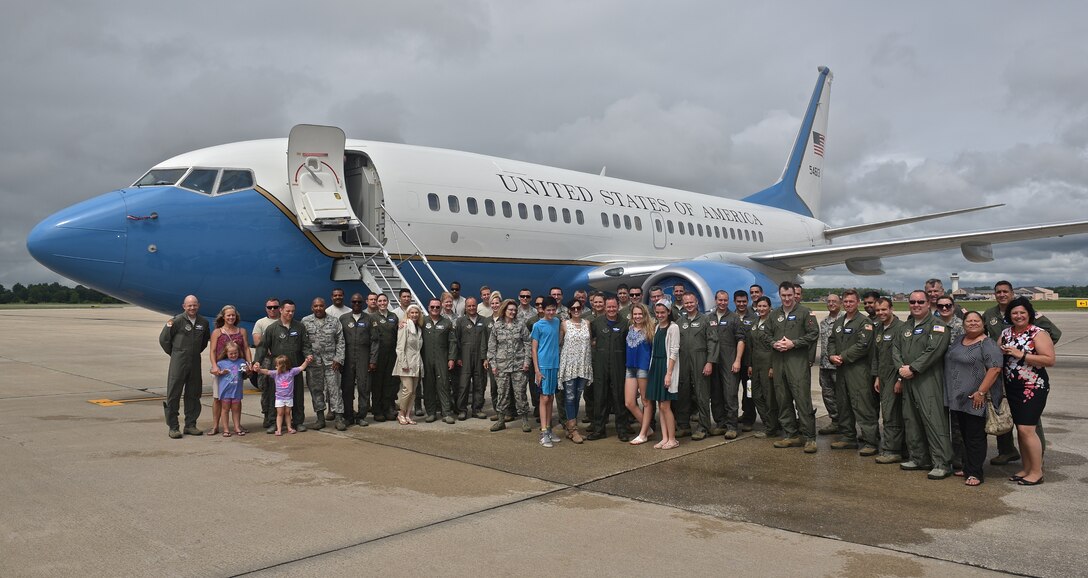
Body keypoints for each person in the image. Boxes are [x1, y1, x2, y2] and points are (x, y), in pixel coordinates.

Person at [983, 280, 1061, 465]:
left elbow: (1054, 334)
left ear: (1011, 293)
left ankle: (1037, 459)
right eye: (998, 292)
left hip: (1029, 379)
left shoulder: (1026, 311)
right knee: (1004, 411)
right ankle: (1007, 451)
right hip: (1003, 372)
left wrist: (1033, 352)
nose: (1001, 294)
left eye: (1005, 291)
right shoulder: (990, 314)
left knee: (1030, 423)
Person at [893, 290, 953, 479]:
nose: (916, 305)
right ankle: (919, 458)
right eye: (912, 302)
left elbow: (933, 351)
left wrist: (913, 368)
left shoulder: (937, 326)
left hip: (927, 379)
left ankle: (941, 463)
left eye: (920, 302)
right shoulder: (905, 327)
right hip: (908, 379)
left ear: (929, 304)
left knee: (933, 420)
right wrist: (901, 369)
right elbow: (895, 349)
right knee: (911, 419)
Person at [1000, 297, 1055, 486]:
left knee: (1027, 429)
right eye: (1014, 313)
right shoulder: (1006, 333)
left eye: (1022, 312)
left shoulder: (1038, 333)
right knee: (1020, 430)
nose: (1018, 316)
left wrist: (1021, 354)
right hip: (1012, 387)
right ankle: (1026, 468)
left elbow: (1049, 360)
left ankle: (1037, 472)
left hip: (1033, 387)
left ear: (1029, 314)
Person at [944, 311, 1003, 486]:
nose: (972, 323)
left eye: (976, 320)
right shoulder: (959, 340)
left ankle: (976, 472)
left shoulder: (987, 344)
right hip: (958, 397)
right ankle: (967, 466)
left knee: (975, 436)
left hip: (975, 397)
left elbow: (995, 369)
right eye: (969, 321)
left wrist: (981, 392)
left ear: (983, 323)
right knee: (963, 434)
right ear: (963, 324)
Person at [763, 282, 820, 453]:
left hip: (798, 363)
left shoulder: (805, 312)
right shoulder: (774, 315)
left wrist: (793, 344)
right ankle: (791, 434)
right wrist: (774, 343)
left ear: (795, 295)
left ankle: (809, 437)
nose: (787, 299)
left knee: (802, 400)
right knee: (783, 399)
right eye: (784, 296)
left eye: (790, 295)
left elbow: (813, 334)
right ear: (780, 295)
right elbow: (765, 334)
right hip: (779, 363)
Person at [827, 289, 879, 456]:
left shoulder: (864, 322)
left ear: (857, 303)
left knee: (862, 406)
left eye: (851, 301)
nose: (848, 304)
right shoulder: (839, 321)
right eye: (846, 301)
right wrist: (831, 355)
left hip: (858, 371)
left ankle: (870, 441)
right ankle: (848, 437)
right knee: (844, 405)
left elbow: (863, 346)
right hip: (841, 370)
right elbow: (832, 340)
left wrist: (842, 356)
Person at [159, 295, 211, 439]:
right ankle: (174, 427)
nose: (192, 308)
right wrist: (176, 353)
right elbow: (164, 339)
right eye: (189, 305)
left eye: (194, 305)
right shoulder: (176, 321)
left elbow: (204, 342)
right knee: (174, 393)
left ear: (198, 305)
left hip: (195, 361)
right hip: (178, 361)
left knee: (194, 393)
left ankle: (190, 425)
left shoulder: (204, 322)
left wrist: (192, 353)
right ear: (184, 306)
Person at [254, 300, 310, 433]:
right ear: (281, 310)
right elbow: (262, 346)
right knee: (275, 395)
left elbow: (305, 344)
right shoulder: (272, 328)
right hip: (278, 369)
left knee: (297, 394)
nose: (290, 313)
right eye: (287, 311)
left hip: (294, 367)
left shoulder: (299, 327)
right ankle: (273, 422)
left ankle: (298, 422)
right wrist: (257, 361)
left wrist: (308, 355)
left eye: (292, 311)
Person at [587, 296, 631, 441]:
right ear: (605, 307)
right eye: (609, 307)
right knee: (600, 397)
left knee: (619, 398)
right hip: (600, 365)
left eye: (614, 307)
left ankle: (622, 430)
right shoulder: (596, 323)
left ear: (618, 307)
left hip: (619, 365)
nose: (611, 309)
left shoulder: (625, 323)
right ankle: (599, 429)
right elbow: (589, 341)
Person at [676, 293, 718, 440]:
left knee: (702, 394)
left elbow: (713, 342)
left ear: (696, 302)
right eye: (686, 303)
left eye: (691, 302)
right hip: (683, 360)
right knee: (683, 393)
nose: (689, 305)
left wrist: (709, 362)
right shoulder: (679, 322)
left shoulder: (706, 320)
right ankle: (683, 425)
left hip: (700, 359)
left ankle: (704, 427)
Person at [871, 297, 906, 463]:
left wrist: (900, 379)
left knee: (892, 413)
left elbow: (904, 356)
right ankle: (892, 447)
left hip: (895, 376)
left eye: (884, 309)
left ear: (891, 309)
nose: (881, 313)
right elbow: (877, 356)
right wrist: (877, 376)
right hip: (883, 376)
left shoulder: (900, 328)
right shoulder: (878, 328)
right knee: (887, 411)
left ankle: (893, 450)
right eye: (878, 310)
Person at [302, 297, 346, 431]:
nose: (318, 308)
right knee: (316, 391)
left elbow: (341, 341)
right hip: (313, 364)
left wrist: (338, 359)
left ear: (324, 307)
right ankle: (320, 418)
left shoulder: (334, 321)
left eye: (321, 306)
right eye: (316, 306)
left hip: (331, 363)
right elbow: (303, 343)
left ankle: (339, 418)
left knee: (335, 390)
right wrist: (306, 357)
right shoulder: (305, 321)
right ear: (312, 308)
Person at [488, 299, 532, 432]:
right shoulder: (497, 326)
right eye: (510, 310)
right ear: (504, 311)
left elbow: (528, 343)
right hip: (501, 367)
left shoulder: (520, 325)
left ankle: (524, 420)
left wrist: (526, 361)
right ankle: (501, 421)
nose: (512, 312)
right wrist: (493, 365)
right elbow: (491, 347)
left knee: (520, 394)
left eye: (514, 310)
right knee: (502, 394)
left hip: (519, 366)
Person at [207, 305, 251, 435]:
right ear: (223, 317)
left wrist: (249, 364)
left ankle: (237, 425)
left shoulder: (241, 331)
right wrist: (214, 366)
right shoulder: (217, 332)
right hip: (221, 370)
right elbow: (212, 351)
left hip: (237, 369)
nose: (231, 317)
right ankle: (215, 426)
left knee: (236, 399)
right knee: (217, 398)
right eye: (228, 315)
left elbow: (246, 348)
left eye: (233, 315)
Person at [709, 290, 746, 439]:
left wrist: (737, 360)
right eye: (720, 300)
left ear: (728, 301)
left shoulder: (734, 318)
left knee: (730, 393)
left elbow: (741, 340)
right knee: (716, 394)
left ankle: (732, 426)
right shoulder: (709, 318)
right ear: (715, 300)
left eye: (725, 300)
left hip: (729, 360)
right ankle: (720, 423)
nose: (722, 303)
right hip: (713, 361)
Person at [645, 302, 680, 449]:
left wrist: (669, 374)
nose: (660, 315)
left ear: (668, 312)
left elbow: (674, 351)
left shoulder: (674, 327)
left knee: (666, 405)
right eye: (657, 313)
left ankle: (673, 439)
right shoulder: (657, 327)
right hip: (656, 366)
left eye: (662, 313)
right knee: (660, 405)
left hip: (666, 367)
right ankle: (665, 437)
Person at [340, 293, 378, 426]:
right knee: (347, 388)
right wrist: (339, 360)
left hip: (364, 357)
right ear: (351, 303)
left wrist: (373, 360)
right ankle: (348, 416)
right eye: (354, 302)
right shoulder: (343, 319)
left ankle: (361, 416)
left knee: (364, 387)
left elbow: (375, 341)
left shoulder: (369, 319)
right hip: (348, 358)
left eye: (359, 302)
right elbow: (339, 341)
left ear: (363, 303)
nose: (356, 304)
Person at [558, 299, 592, 443]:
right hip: (570, 365)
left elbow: (590, 342)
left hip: (583, 365)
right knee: (570, 397)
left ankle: (571, 428)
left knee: (577, 397)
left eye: (579, 307)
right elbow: (560, 343)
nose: (576, 310)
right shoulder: (565, 324)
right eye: (573, 308)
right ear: (569, 310)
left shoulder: (587, 324)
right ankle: (573, 430)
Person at [254, 354, 313, 435]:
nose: (275, 367)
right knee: (280, 413)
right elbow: (267, 371)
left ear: (282, 366)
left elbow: (301, 368)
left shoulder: (291, 372)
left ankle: (289, 427)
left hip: (289, 397)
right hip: (279, 398)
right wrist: (259, 370)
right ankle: (279, 429)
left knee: (288, 413)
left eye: (277, 365)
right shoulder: (276, 373)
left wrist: (306, 361)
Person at [531, 297, 562, 447]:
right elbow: (534, 349)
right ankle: (543, 433)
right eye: (548, 309)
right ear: (542, 309)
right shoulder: (537, 325)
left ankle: (549, 429)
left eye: (553, 309)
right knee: (543, 398)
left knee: (550, 398)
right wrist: (537, 370)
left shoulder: (557, 322)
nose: (551, 312)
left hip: (554, 365)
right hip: (543, 366)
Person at [421, 298, 458, 423]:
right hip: (426, 358)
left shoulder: (447, 323)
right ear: (428, 307)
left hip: (442, 358)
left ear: (441, 308)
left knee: (444, 385)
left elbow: (452, 342)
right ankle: (431, 413)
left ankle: (446, 413)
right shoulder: (422, 321)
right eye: (432, 307)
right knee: (428, 386)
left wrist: (451, 358)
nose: (435, 309)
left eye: (437, 307)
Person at [748, 296, 779, 439]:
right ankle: (768, 422)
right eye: (759, 306)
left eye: (764, 306)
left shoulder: (772, 323)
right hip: (756, 362)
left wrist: (773, 367)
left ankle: (771, 427)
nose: (761, 309)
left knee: (769, 396)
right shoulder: (755, 322)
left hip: (768, 361)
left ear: (769, 307)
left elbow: (775, 346)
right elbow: (751, 345)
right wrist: (750, 364)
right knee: (756, 395)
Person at [455, 297, 491, 420]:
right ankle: (462, 410)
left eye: (473, 305)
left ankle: (477, 409)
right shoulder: (460, 322)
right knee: (463, 385)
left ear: (477, 306)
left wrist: (486, 357)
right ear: (465, 307)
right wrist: (458, 357)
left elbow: (488, 341)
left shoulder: (484, 321)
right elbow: (456, 340)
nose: (471, 308)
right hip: (465, 358)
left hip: (480, 358)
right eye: (469, 306)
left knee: (479, 384)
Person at [626, 303, 655, 445]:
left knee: (645, 401)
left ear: (645, 315)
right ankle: (647, 428)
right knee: (629, 402)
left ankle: (643, 434)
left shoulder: (651, 329)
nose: (637, 317)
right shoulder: (630, 328)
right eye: (635, 314)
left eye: (640, 314)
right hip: (630, 368)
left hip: (643, 368)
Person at [815, 293, 843, 436]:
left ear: (840, 303)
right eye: (829, 301)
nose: (831, 303)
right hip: (824, 365)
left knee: (843, 397)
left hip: (839, 366)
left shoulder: (845, 320)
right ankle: (835, 422)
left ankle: (846, 425)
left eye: (834, 301)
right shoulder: (824, 322)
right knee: (828, 395)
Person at [251, 297, 281, 427]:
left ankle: (281, 416)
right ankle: (267, 415)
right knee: (266, 389)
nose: (272, 310)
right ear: (266, 309)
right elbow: (257, 341)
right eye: (270, 307)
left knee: (282, 389)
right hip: (266, 361)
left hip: (281, 361)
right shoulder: (261, 322)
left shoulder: (283, 321)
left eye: (275, 307)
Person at [393, 304, 425, 425]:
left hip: (416, 363)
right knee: (408, 389)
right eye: (412, 313)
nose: (414, 315)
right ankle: (401, 413)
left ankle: (408, 415)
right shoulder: (404, 327)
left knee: (413, 391)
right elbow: (400, 348)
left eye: (416, 313)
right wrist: (404, 363)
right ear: (408, 314)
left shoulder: (419, 328)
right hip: (405, 363)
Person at [211, 342, 249, 437]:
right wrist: (220, 372)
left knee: (236, 409)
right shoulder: (221, 363)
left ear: (238, 352)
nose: (233, 355)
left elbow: (246, 372)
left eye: (235, 353)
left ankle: (237, 427)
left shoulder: (241, 361)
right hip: (225, 391)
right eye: (231, 353)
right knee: (225, 409)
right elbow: (212, 370)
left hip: (236, 390)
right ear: (226, 353)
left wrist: (248, 370)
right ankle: (226, 429)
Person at [372, 294, 400, 421]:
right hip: (378, 355)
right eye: (380, 301)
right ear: (377, 303)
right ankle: (377, 410)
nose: (382, 303)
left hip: (391, 354)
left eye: (384, 300)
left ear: (388, 302)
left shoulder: (393, 317)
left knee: (390, 383)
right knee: (378, 383)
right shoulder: (372, 317)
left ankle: (388, 408)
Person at [734, 290, 759, 430]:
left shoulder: (754, 318)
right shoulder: (731, 316)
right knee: (731, 391)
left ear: (748, 301)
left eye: (744, 301)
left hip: (748, 362)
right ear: (735, 302)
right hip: (732, 362)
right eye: (739, 301)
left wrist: (751, 363)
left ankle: (748, 418)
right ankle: (732, 417)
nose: (742, 304)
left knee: (748, 391)